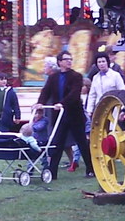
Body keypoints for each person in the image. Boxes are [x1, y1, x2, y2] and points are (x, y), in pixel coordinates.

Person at [38, 51, 94, 179]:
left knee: (82, 143)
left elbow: (74, 94)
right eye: (66, 59)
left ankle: (91, 170)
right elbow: (46, 91)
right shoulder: (53, 77)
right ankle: (52, 173)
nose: (69, 61)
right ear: (60, 62)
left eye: (70, 59)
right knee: (57, 143)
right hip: (59, 116)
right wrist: (40, 103)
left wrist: (62, 104)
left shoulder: (76, 76)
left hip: (74, 115)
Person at [86, 51, 125, 119]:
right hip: (99, 108)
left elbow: (122, 92)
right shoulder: (95, 77)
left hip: (114, 107)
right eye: (99, 62)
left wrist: (122, 109)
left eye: (103, 61)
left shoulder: (115, 75)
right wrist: (89, 110)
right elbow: (92, 95)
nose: (101, 64)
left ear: (107, 62)